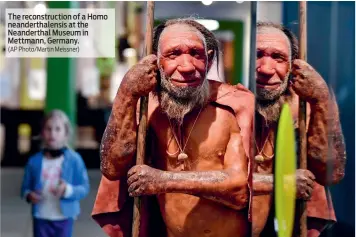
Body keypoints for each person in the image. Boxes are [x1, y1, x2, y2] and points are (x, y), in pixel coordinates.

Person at [91, 18, 255, 237]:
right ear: (155, 62)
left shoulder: (234, 106)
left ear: (209, 59)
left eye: (195, 54)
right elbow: (112, 168)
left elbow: (241, 190)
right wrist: (127, 91)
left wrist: (162, 181)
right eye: (173, 54)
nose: (186, 66)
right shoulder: (146, 107)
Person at [252, 22, 346, 237]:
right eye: (257, 55)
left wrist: (322, 98)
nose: (266, 69)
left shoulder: (304, 103)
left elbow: (331, 173)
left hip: (297, 217)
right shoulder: (226, 100)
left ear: (292, 65)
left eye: (278, 57)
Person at [21, 110, 90, 237]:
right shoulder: (34, 161)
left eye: (58, 129)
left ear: (66, 133)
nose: (52, 133)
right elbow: (25, 188)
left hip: (64, 217)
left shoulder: (74, 160)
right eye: (48, 129)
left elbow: (84, 188)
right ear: (42, 132)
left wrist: (67, 190)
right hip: (41, 216)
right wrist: (29, 195)